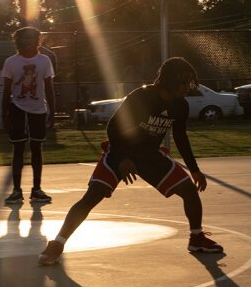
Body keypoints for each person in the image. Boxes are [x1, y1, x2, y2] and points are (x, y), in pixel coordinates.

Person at [38, 58, 223, 265]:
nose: (187, 87)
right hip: (120, 151)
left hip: (150, 156)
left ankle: (196, 237)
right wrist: (123, 158)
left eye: (190, 82)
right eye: (184, 82)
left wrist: (195, 170)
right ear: (170, 81)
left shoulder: (180, 105)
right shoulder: (142, 97)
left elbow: (180, 137)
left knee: (189, 189)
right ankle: (57, 243)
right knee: (92, 196)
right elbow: (113, 128)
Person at [1, 27, 57, 205]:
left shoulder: (44, 60)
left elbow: (49, 87)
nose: (28, 42)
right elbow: (6, 90)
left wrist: (52, 111)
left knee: (36, 148)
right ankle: (17, 190)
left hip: (38, 109)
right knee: (18, 149)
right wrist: (4, 114)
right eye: (24, 39)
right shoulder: (11, 62)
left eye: (32, 39)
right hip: (17, 108)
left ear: (37, 41)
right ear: (18, 42)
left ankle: (37, 189)